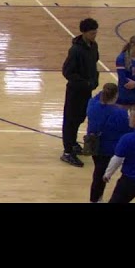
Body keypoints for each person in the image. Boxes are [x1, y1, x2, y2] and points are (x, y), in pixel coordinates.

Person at [60, 17, 101, 167]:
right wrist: (84, 83)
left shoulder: (93, 46)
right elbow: (67, 72)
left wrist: (94, 80)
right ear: (84, 33)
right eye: (91, 33)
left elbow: (94, 63)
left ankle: (72, 143)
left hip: (87, 90)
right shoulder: (75, 50)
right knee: (70, 120)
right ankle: (67, 151)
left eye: (95, 33)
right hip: (75, 91)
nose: (94, 36)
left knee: (80, 117)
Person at [85, 82, 131, 202]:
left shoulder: (92, 105)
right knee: (101, 175)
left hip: (94, 146)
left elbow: (97, 96)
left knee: (98, 172)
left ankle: (96, 198)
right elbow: (128, 129)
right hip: (110, 148)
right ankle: (96, 199)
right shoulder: (120, 113)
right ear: (116, 96)